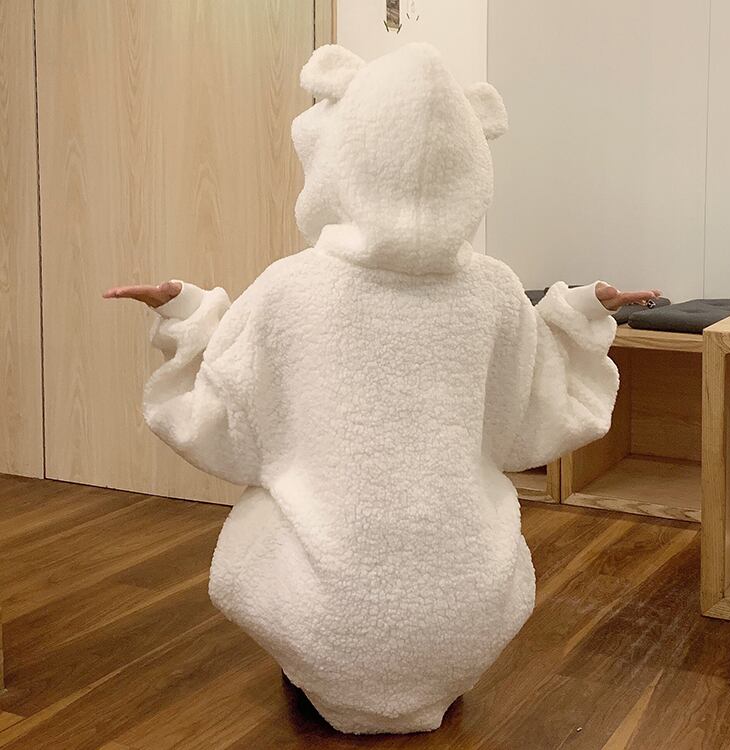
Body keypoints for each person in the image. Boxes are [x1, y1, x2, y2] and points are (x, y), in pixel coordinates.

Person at [103, 43, 660, 734]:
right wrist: (578, 315)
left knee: (273, 487)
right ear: (470, 165)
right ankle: (426, 672)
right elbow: (529, 417)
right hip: (467, 619)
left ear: (341, 153)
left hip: (321, 618)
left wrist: (187, 315)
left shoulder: (291, 288)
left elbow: (227, 423)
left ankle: (335, 674)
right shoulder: (494, 293)